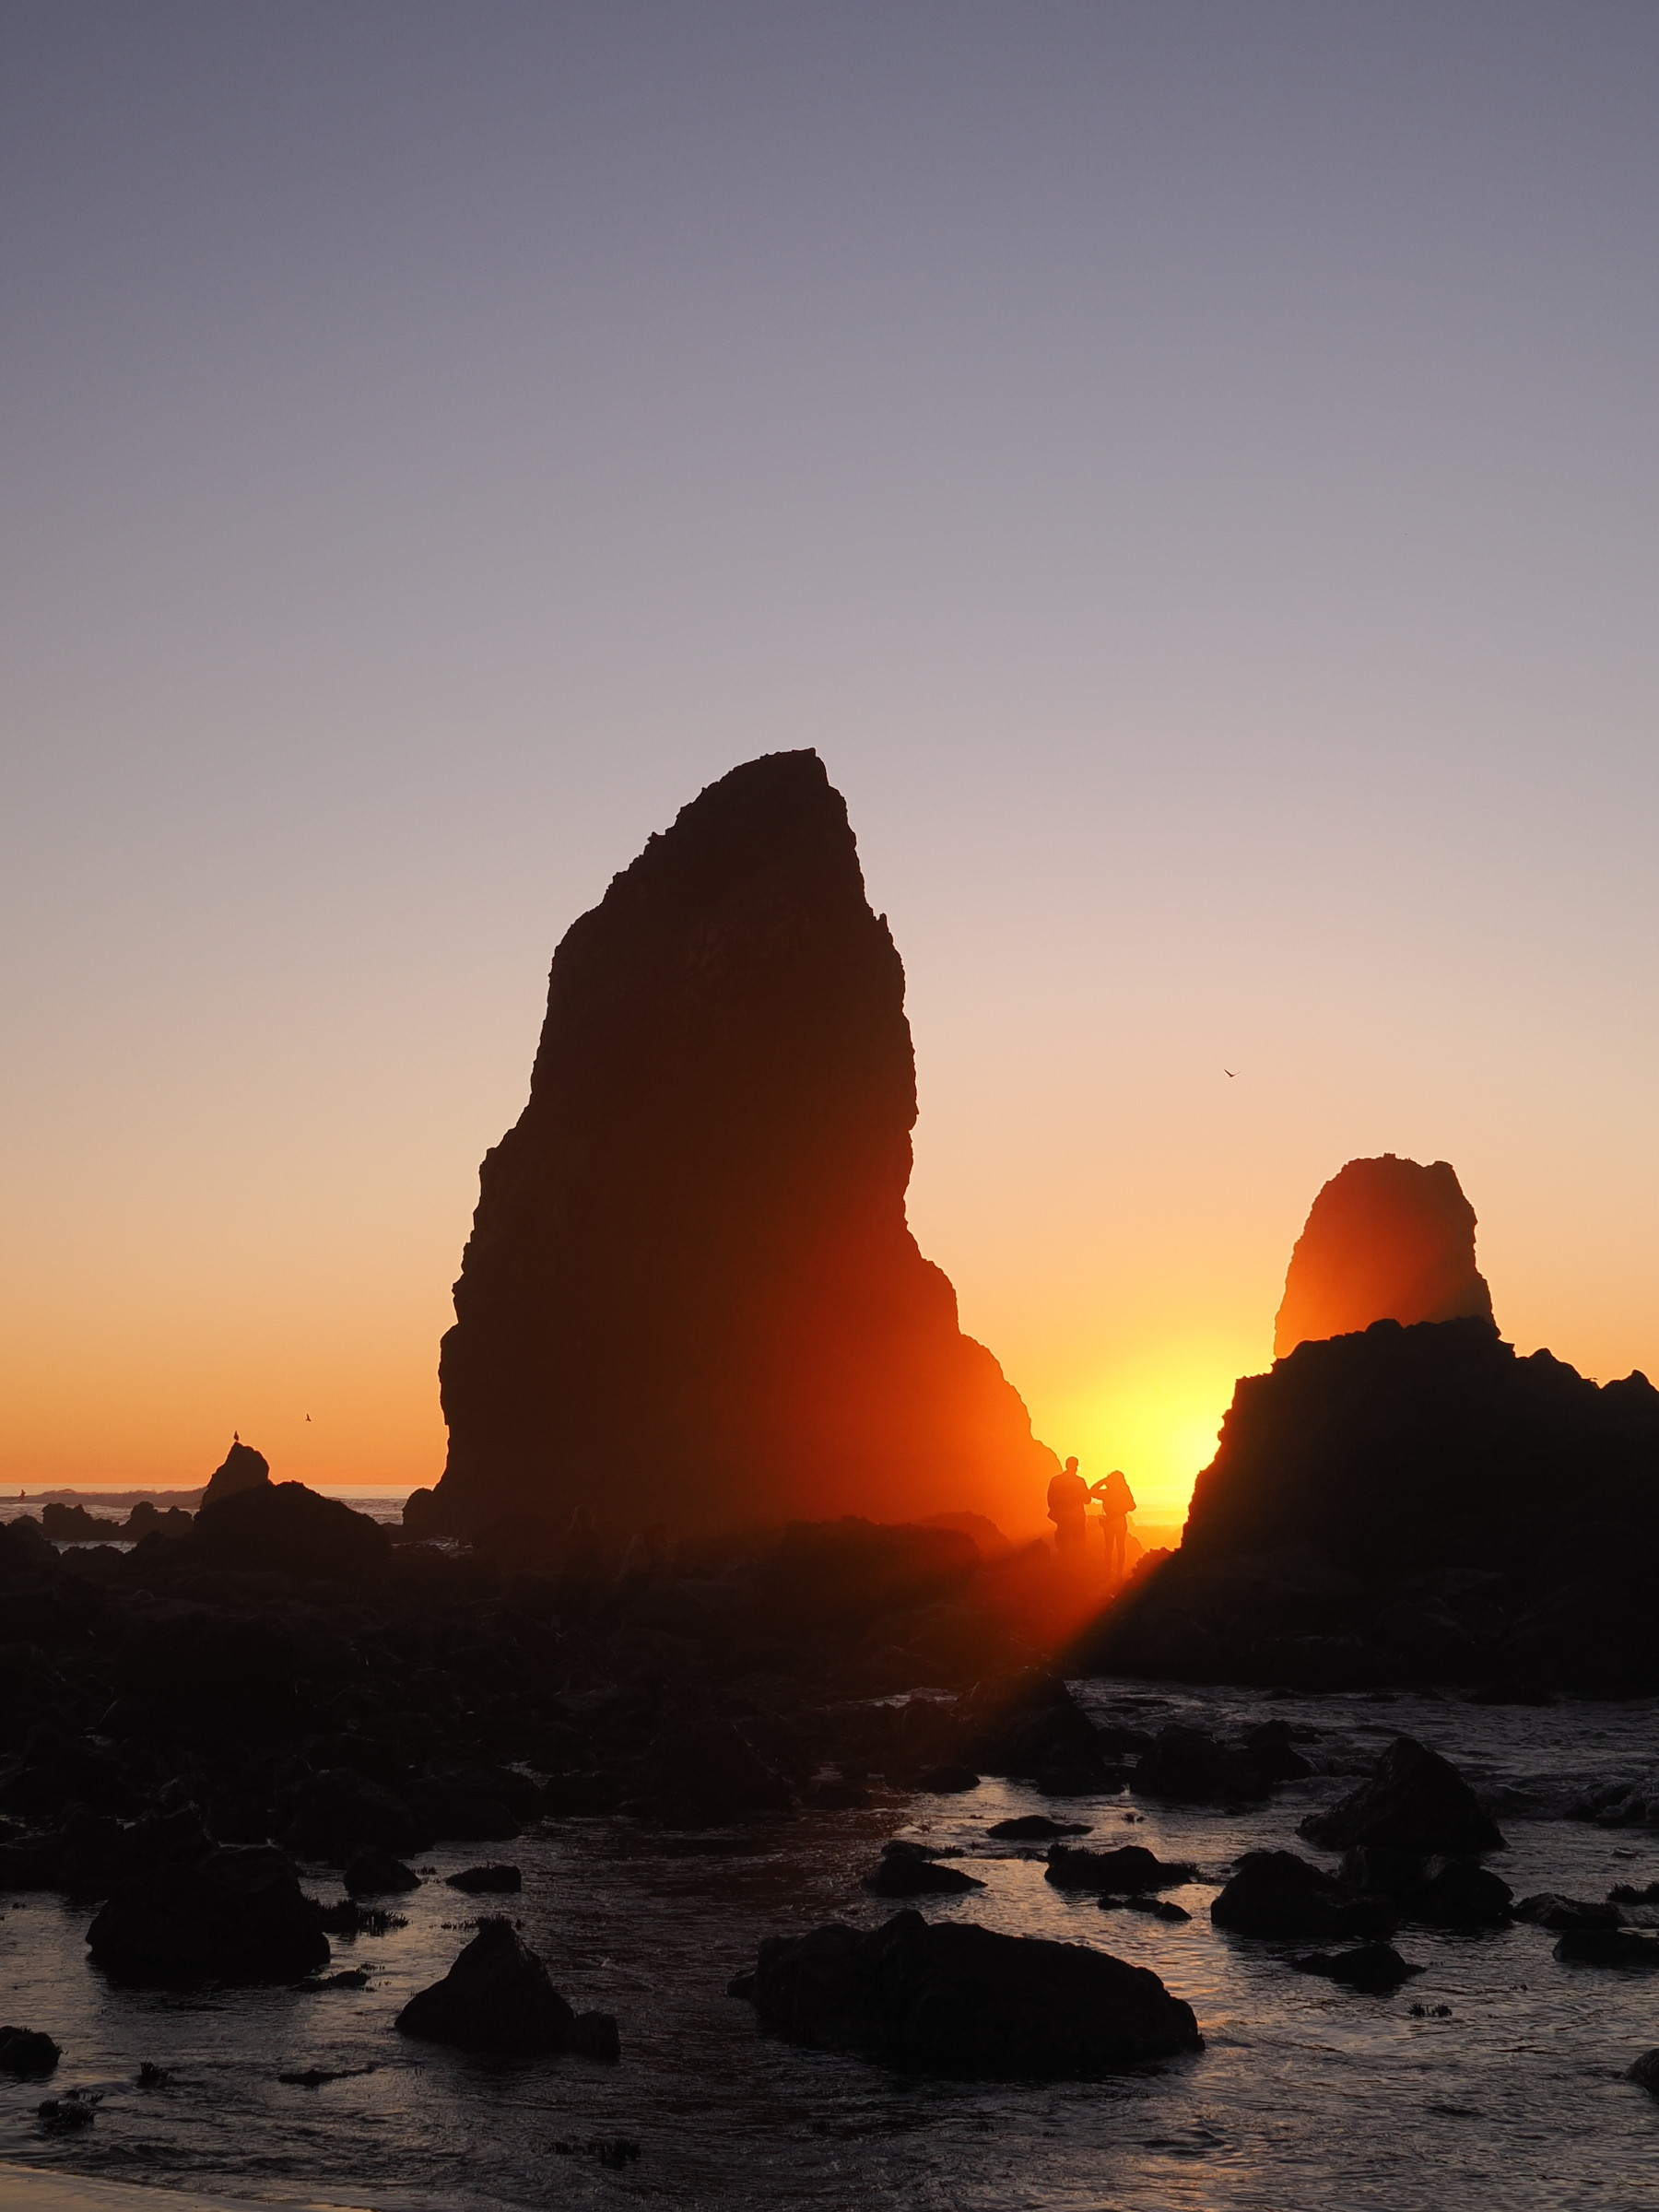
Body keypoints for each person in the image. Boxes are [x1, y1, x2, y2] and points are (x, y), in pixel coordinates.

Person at [1090, 1467, 1136, 1583]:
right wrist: (1122, 1508)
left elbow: (1092, 1491)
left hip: (1110, 1521)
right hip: (1120, 1520)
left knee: (1109, 1548)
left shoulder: (1107, 1492)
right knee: (1120, 1548)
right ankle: (1119, 1574)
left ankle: (1108, 1574)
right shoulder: (1125, 1491)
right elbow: (1132, 1506)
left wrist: (1104, 1481)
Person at [1046, 1456, 1091, 1560]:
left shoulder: (1056, 1480)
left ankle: (1064, 1565)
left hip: (1062, 1518)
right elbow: (1087, 1500)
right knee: (1079, 1545)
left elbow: (1050, 1499)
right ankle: (1077, 1565)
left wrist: (1057, 1513)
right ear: (1075, 1467)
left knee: (1063, 1544)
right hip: (1077, 1517)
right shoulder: (1080, 1481)